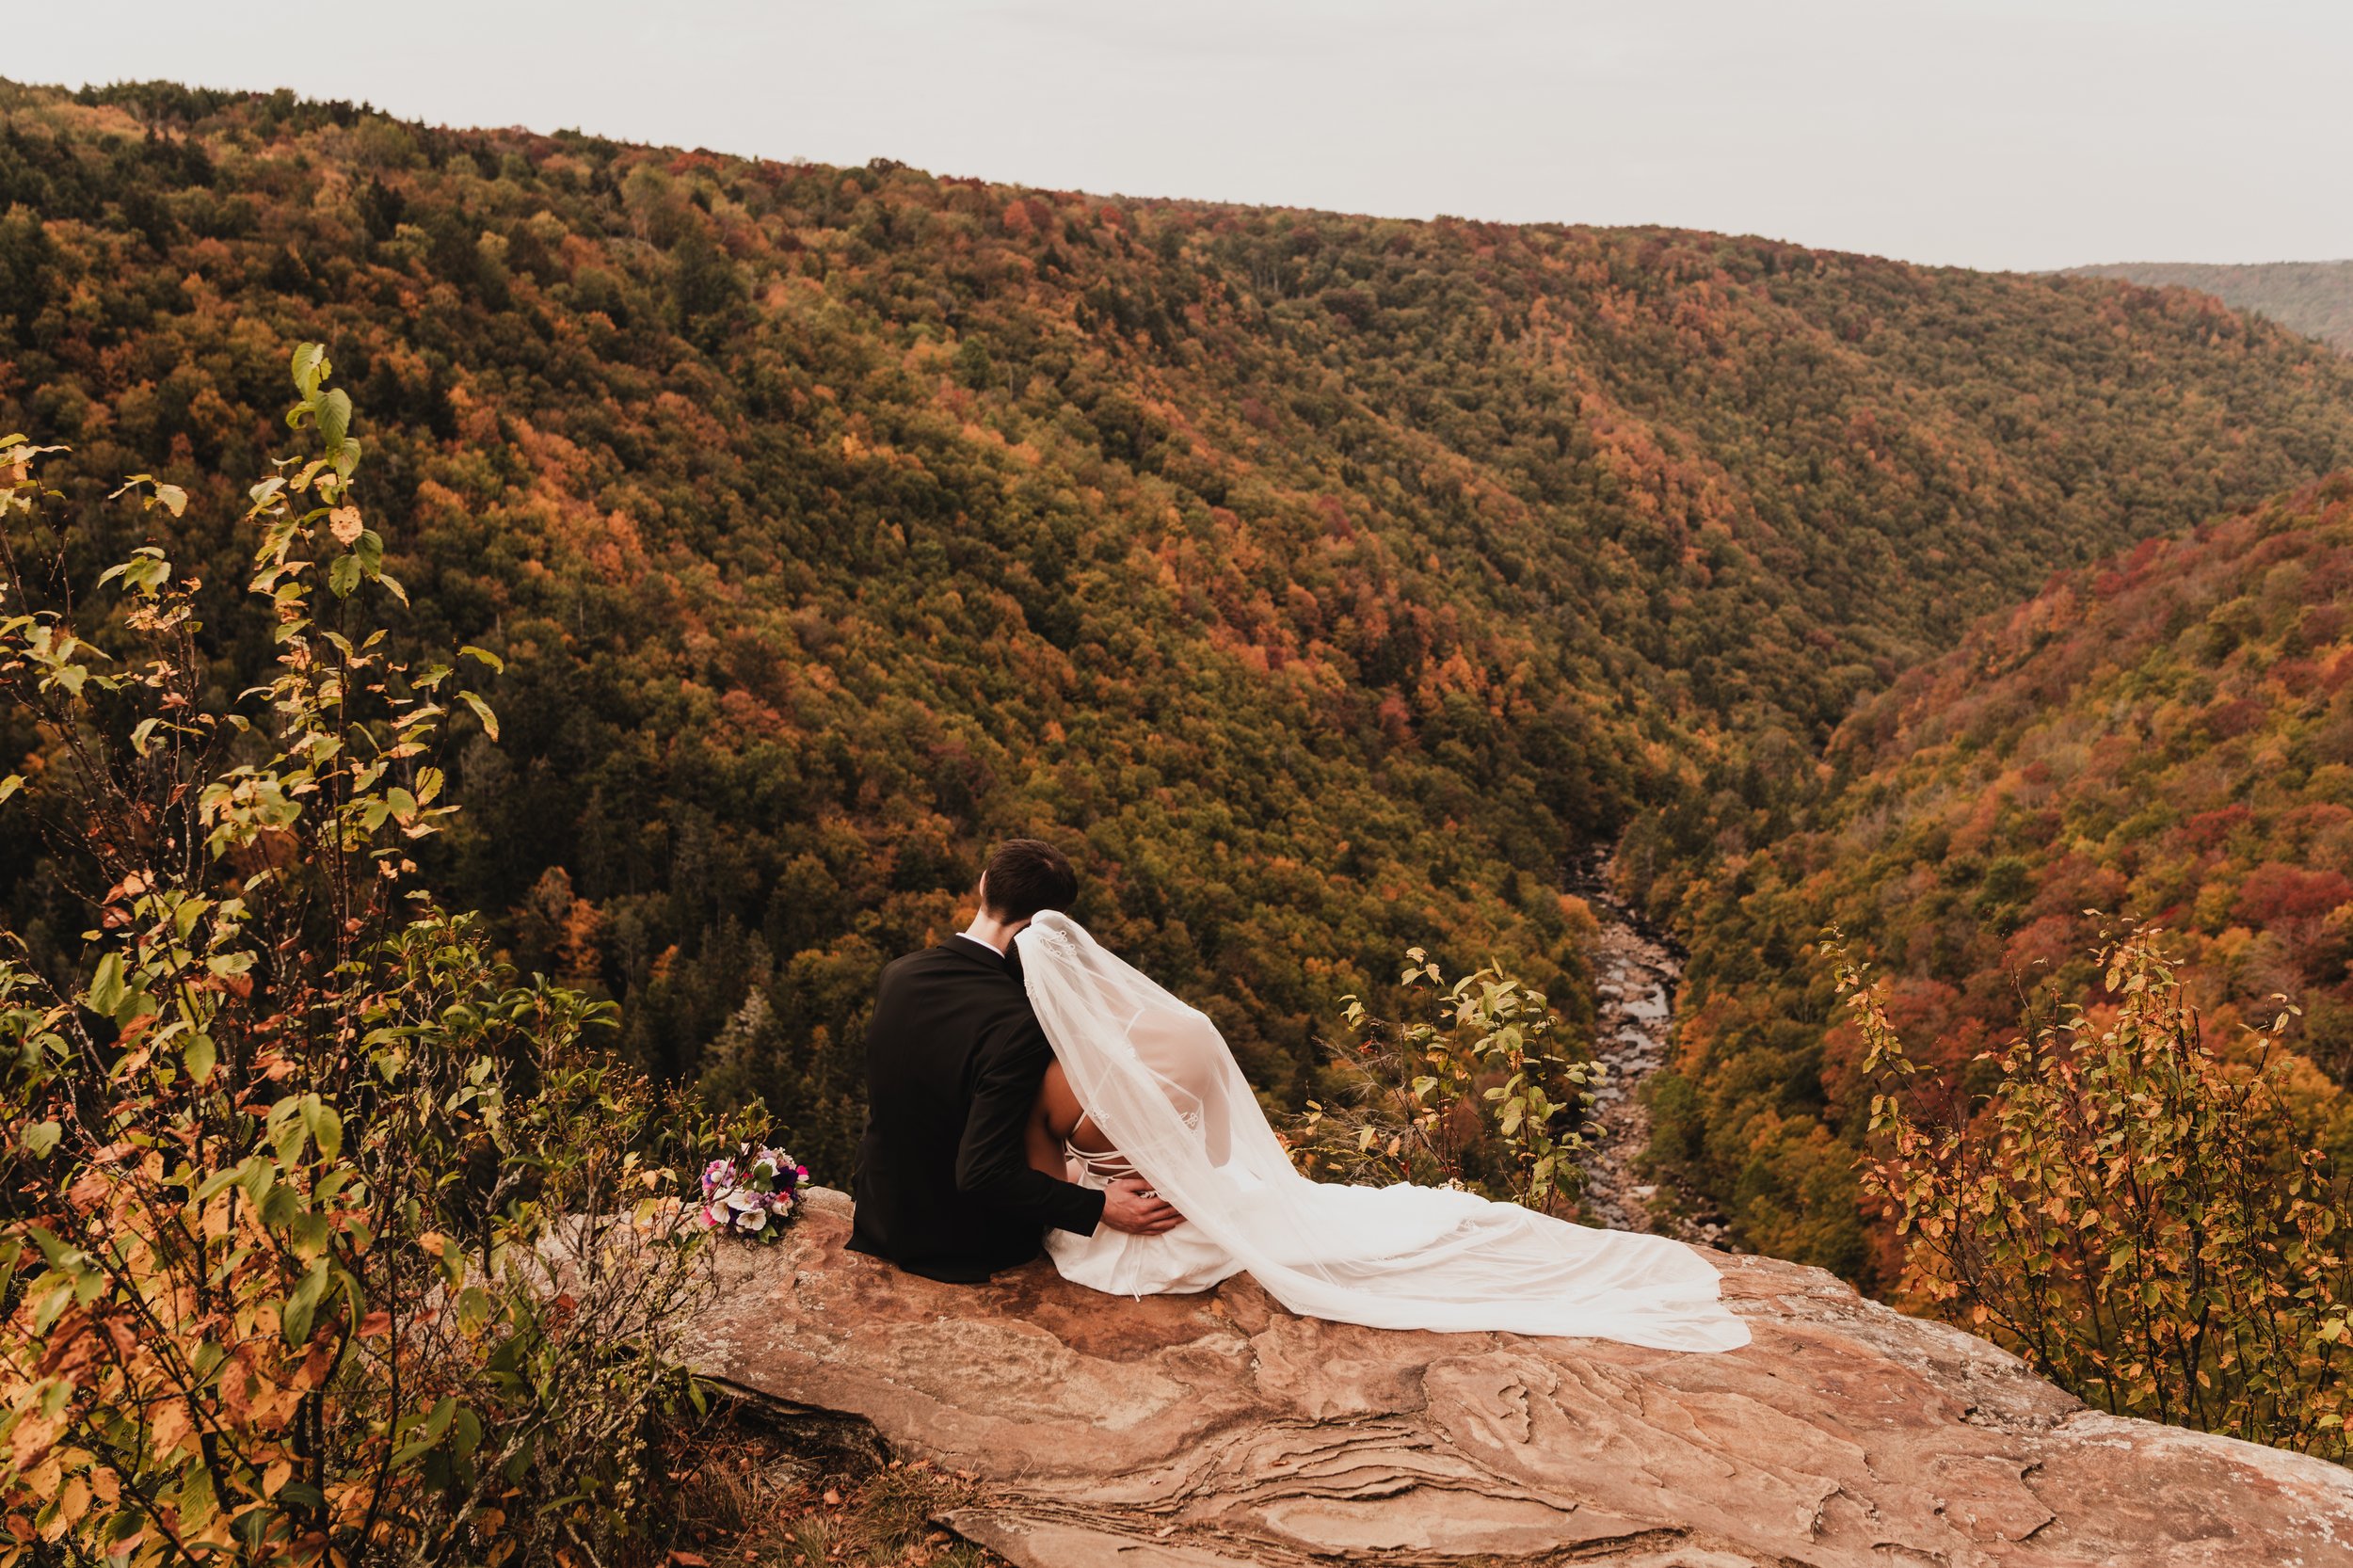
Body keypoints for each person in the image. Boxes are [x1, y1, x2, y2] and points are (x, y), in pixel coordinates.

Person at [1016, 909, 1751, 1352]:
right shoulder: (1188, 1033)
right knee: (1342, 1221)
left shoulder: (1042, 1084)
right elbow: (1215, 1152)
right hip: (1199, 1225)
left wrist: (1103, 1189)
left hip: (1118, 1248)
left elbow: (1049, 1189)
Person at [846, 839, 1182, 1282]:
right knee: (1080, 1170)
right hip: (959, 1240)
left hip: (878, 1212)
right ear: (1048, 924)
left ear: (983, 884)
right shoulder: (1023, 1021)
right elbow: (981, 1173)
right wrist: (1100, 1207)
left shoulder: (899, 973)